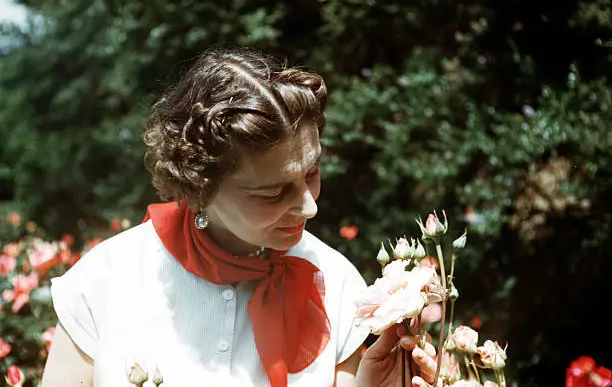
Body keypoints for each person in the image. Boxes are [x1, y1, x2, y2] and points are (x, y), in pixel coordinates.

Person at [40, 48, 437, 387]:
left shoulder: (338, 283)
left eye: (312, 173)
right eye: (273, 191)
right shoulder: (105, 281)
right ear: (199, 187)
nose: (310, 206)